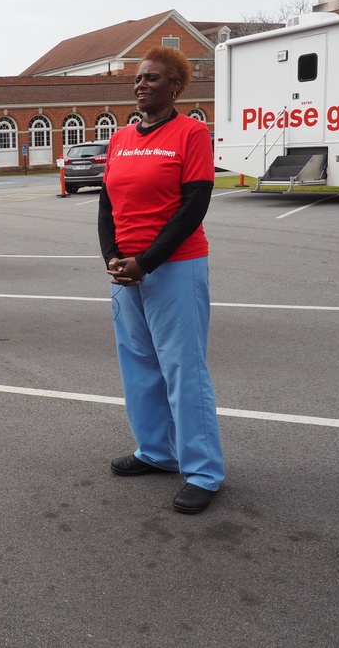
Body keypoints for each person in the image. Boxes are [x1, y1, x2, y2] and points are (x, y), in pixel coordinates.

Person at [97, 45, 225, 515]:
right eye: (138, 78)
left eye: (152, 78)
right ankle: (157, 451)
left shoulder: (190, 134)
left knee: (183, 370)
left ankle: (204, 470)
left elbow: (193, 207)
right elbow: (107, 205)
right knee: (139, 365)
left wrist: (146, 261)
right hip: (126, 271)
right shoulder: (120, 139)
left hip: (174, 267)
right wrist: (113, 257)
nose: (141, 84)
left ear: (175, 85)